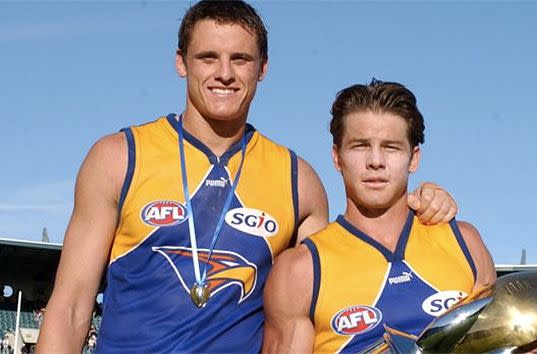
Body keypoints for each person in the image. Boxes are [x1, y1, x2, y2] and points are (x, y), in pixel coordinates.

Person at [37, 2, 458, 353]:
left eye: (240, 59)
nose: (224, 73)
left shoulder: (298, 181)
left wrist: (421, 203)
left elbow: (328, 293)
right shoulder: (118, 157)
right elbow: (72, 307)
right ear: (181, 63)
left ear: (263, 68)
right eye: (208, 57)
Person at [263, 80, 496, 353]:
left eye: (391, 147)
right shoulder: (301, 270)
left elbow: (512, 344)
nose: (376, 161)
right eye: (360, 146)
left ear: (414, 158)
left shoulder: (465, 243)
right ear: (337, 157)